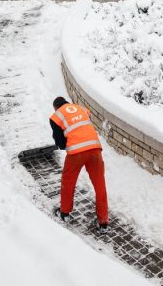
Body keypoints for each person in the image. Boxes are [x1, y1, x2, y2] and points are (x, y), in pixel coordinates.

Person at [49, 96, 109, 229]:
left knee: (68, 182)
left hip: (76, 152)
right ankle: (103, 222)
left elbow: (60, 143)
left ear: (56, 107)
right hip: (95, 148)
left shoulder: (56, 116)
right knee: (100, 185)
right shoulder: (81, 109)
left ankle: (65, 213)